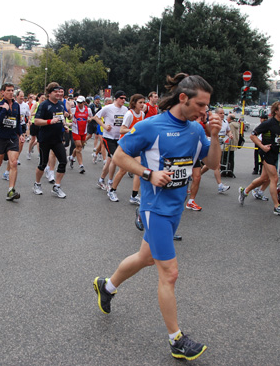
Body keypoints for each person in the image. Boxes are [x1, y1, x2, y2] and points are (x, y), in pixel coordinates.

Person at [93, 73, 220, 361]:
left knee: (146, 258)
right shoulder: (151, 126)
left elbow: (212, 163)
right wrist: (148, 173)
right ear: (183, 98)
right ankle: (176, 339)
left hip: (176, 209)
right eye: (201, 104)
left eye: (207, 106)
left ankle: (107, 285)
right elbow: (119, 156)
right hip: (155, 210)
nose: (205, 111)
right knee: (169, 273)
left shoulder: (196, 128)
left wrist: (213, 136)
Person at [239, 101, 280, 216]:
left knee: (264, 178)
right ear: (276, 111)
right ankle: (277, 206)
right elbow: (252, 135)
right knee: (274, 178)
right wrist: (262, 146)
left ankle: (245, 191)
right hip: (265, 153)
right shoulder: (268, 123)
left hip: (274, 153)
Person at [32, 83, 69, 198]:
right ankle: (37, 184)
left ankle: (56, 187)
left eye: (59, 91)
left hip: (57, 139)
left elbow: (60, 119)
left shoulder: (61, 105)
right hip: (45, 139)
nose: (58, 93)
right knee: (43, 164)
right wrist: (49, 121)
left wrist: (65, 125)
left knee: (63, 161)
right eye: (55, 92)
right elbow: (37, 121)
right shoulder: (44, 105)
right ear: (49, 93)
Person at [107, 94, 145, 203]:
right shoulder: (130, 114)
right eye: (140, 102)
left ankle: (134, 195)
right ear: (134, 103)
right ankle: (112, 190)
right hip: (126, 145)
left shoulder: (141, 114)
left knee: (139, 168)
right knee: (123, 170)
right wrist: (133, 130)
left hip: (136, 145)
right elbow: (122, 130)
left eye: (143, 102)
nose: (142, 105)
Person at [92, 90, 128, 193]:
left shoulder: (125, 109)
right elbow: (96, 117)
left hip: (119, 138)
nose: (123, 100)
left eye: (125, 98)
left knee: (109, 160)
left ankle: (101, 179)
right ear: (116, 98)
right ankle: (110, 182)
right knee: (114, 159)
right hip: (109, 138)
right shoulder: (108, 108)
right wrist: (103, 126)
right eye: (121, 98)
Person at [70, 95, 93, 174]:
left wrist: (90, 119)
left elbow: (91, 117)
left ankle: (72, 157)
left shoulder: (88, 109)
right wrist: (69, 116)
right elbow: (70, 116)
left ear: (84, 102)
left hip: (84, 131)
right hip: (76, 131)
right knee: (79, 146)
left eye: (80, 102)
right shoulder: (74, 109)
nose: (79, 104)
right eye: (78, 102)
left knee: (78, 147)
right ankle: (81, 166)